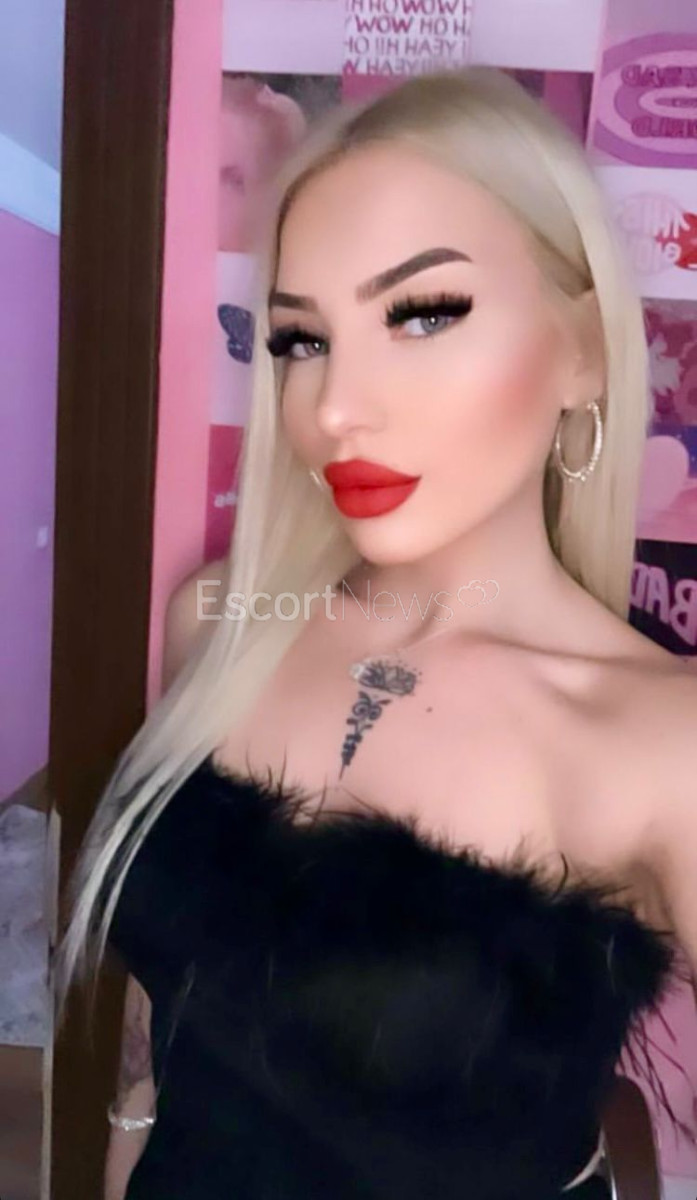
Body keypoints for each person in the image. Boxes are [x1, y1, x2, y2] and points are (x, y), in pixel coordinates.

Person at [55, 65, 697, 1200]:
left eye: (422, 314)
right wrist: (126, 1138)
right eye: (300, 339)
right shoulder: (221, 623)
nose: (336, 406)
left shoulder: (661, 744)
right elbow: (172, 998)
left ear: (584, 352)